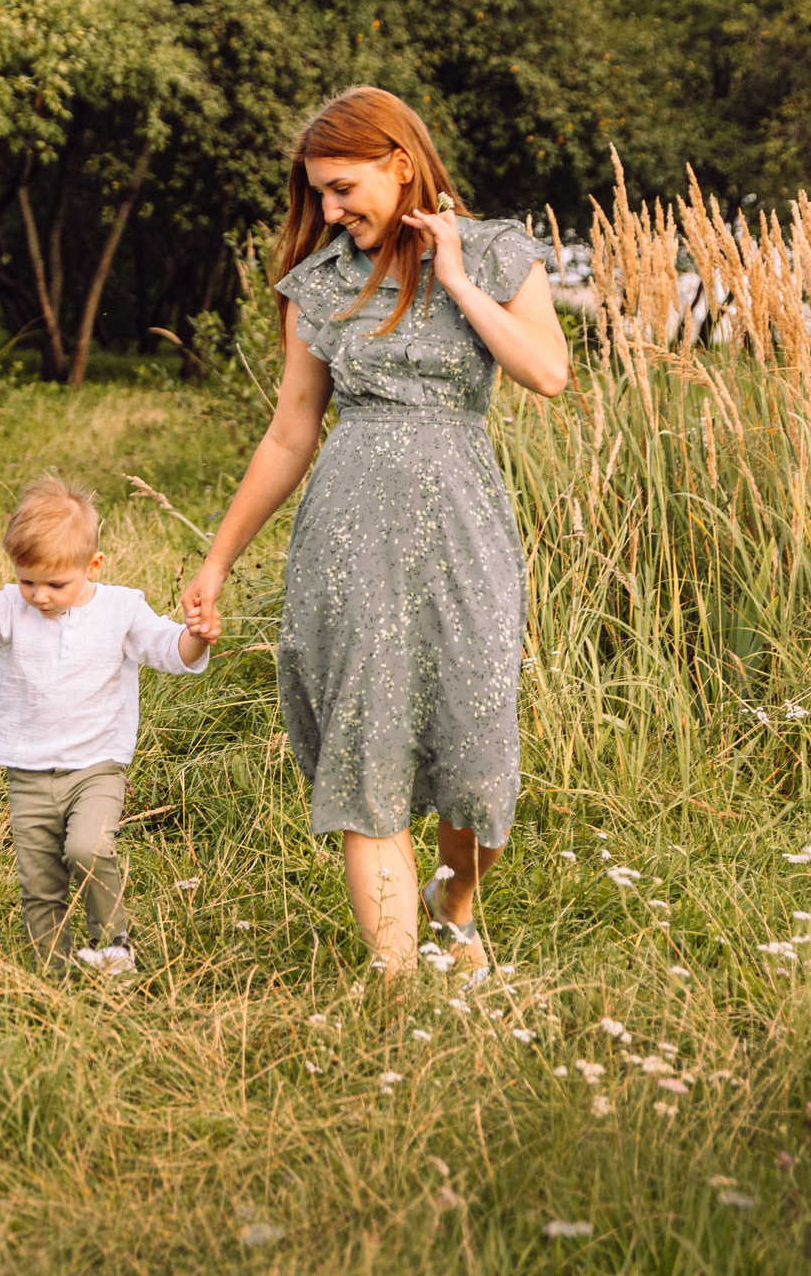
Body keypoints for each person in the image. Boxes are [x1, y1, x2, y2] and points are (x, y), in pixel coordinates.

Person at [180, 87, 569, 981]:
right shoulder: (319, 286)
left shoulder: (501, 250)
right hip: (347, 539)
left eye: (344, 186)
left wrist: (460, 277)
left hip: (465, 532)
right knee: (368, 754)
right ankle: (395, 997)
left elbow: (548, 371)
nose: (329, 210)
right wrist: (217, 558)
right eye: (318, 193)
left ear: (402, 163)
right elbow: (290, 432)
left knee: (479, 765)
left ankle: (455, 905)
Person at [0, 476, 209, 972]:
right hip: (29, 770)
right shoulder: (10, 607)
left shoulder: (121, 609)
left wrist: (196, 636)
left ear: (93, 566)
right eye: (27, 580)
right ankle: (54, 973)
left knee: (88, 846)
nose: (39, 596)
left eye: (55, 584)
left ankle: (112, 947)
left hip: (97, 767)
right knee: (40, 883)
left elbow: (169, 650)